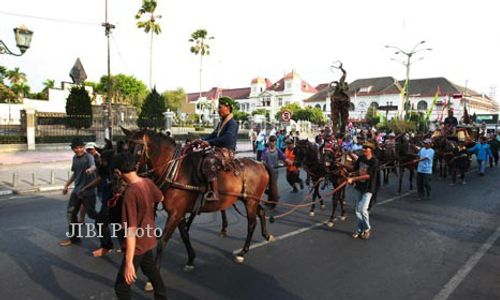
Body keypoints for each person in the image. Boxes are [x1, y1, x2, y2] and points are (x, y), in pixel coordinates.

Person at [112, 152, 167, 300]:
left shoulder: (130, 193)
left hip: (138, 243)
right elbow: (160, 197)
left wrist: (129, 262)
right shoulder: (147, 182)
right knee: (151, 270)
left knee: (121, 287)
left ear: (118, 171)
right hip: (148, 237)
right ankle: (162, 296)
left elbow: (131, 230)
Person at [59, 138, 98, 247]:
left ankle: (107, 236)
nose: (79, 150)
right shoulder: (75, 158)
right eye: (76, 148)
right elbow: (75, 174)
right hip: (77, 191)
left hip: (88, 192)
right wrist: (66, 185)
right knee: (71, 213)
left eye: (81, 147)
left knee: (92, 214)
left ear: (84, 147)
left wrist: (91, 169)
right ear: (72, 149)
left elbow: (93, 166)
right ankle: (74, 238)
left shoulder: (89, 157)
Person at [198, 96, 239, 201]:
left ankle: (214, 193)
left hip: (227, 152)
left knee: (209, 162)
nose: (218, 109)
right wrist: (201, 140)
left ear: (227, 107)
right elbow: (214, 135)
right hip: (218, 151)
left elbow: (228, 138)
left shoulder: (232, 123)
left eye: (220, 107)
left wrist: (209, 142)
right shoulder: (222, 122)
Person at [347, 141, 378, 240]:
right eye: (364, 148)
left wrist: (353, 179)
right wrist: (347, 169)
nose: (364, 149)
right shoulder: (361, 158)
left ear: (371, 150)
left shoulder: (374, 161)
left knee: (363, 209)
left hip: (368, 188)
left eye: (366, 148)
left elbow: (368, 175)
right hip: (359, 187)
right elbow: (355, 169)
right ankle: (360, 229)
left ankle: (367, 228)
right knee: (357, 210)